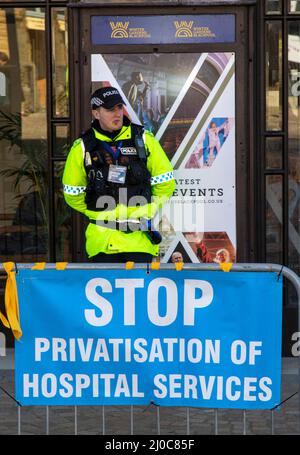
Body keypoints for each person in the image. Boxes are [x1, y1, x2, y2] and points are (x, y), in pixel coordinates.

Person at [62, 86, 175, 263]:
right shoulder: (83, 146)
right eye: (110, 109)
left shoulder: (143, 139)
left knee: (140, 291)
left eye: (119, 108)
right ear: (96, 113)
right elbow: (72, 193)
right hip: (102, 242)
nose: (117, 114)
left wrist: (146, 209)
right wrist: (99, 212)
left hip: (139, 242)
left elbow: (166, 182)